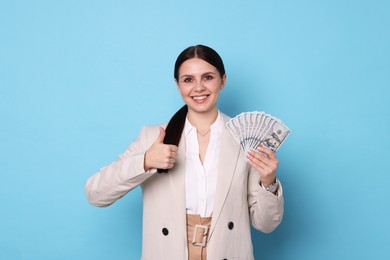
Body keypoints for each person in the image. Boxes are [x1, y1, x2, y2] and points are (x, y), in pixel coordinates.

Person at [85, 44, 284, 260]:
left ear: (223, 81)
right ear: (177, 85)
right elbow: (96, 194)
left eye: (208, 77)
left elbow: (266, 224)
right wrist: (145, 162)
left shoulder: (245, 139)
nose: (198, 87)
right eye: (188, 79)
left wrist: (269, 182)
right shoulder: (153, 137)